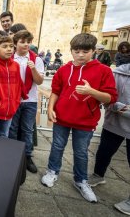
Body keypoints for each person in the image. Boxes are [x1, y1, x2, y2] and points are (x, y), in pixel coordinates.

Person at [41, 33, 117, 203]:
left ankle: (81, 181)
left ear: (93, 51)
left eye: (85, 51)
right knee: (57, 146)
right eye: (76, 51)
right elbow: (56, 91)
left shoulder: (103, 71)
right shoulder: (63, 69)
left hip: (85, 121)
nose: (80, 55)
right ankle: (52, 172)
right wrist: (51, 108)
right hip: (61, 118)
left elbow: (110, 98)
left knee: (81, 152)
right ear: (71, 51)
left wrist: (92, 92)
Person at [88, 57, 130, 214]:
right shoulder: (118, 73)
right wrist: (120, 107)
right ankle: (98, 175)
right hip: (114, 123)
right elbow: (107, 96)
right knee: (104, 152)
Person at [9, 31, 44, 173]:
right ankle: (11, 155)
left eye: (28, 41)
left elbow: (39, 81)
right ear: (16, 43)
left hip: (30, 100)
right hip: (13, 99)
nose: (26, 44)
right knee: (12, 128)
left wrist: (33, 68)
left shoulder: (36, 60)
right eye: (23, 42)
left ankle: (27, 157)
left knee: (27, 130)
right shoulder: (10, 58)